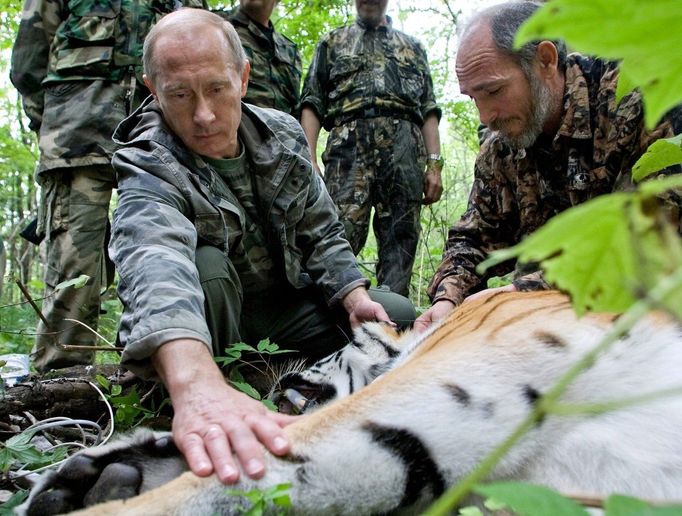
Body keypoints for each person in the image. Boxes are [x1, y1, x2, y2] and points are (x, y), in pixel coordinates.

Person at [109, 8, 415, 484]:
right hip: (210, 323)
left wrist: (354, 296)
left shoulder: (284, 134)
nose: (204, 115)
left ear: (243, 77)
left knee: (398, 315)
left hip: (284, 307)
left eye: (216, 89)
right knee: (205, 265)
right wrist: (193, 383)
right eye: (180, 95)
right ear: (153, 91)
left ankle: (272, 371)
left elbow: (322, 232)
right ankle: (217, 389)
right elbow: (154, 261)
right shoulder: (148, 160)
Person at [415, 1, 682, 332]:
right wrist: (447, 301)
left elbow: (660, 230)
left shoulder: (637, 96)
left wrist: (519, 296)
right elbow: (473, 236)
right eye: (473, 98)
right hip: (549, 329)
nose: (486, 117)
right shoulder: (501, 148)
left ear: (545, 60)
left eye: (494, 91)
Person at [10, 0, 206, 372]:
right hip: (78, 137)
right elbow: (28, 62)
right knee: (75, 268)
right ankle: (59, 384)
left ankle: (155, 375)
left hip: (162, 142)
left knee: (170, 256)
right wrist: (54, 125)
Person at [299, 0, 443, 298]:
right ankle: (331, 317)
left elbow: (428, 108)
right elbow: (312, 102)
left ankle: (394, 319)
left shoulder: (412, 47)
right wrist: (309, 158)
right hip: (348, 148)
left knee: (401, 237)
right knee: (338, 231)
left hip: (405, 147)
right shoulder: (332, 42)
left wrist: (434, 165)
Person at [215, 0, 301, 116]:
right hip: (235, 129)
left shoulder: (289, 50)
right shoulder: (215, 26)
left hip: (280, 131)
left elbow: (295, 109)